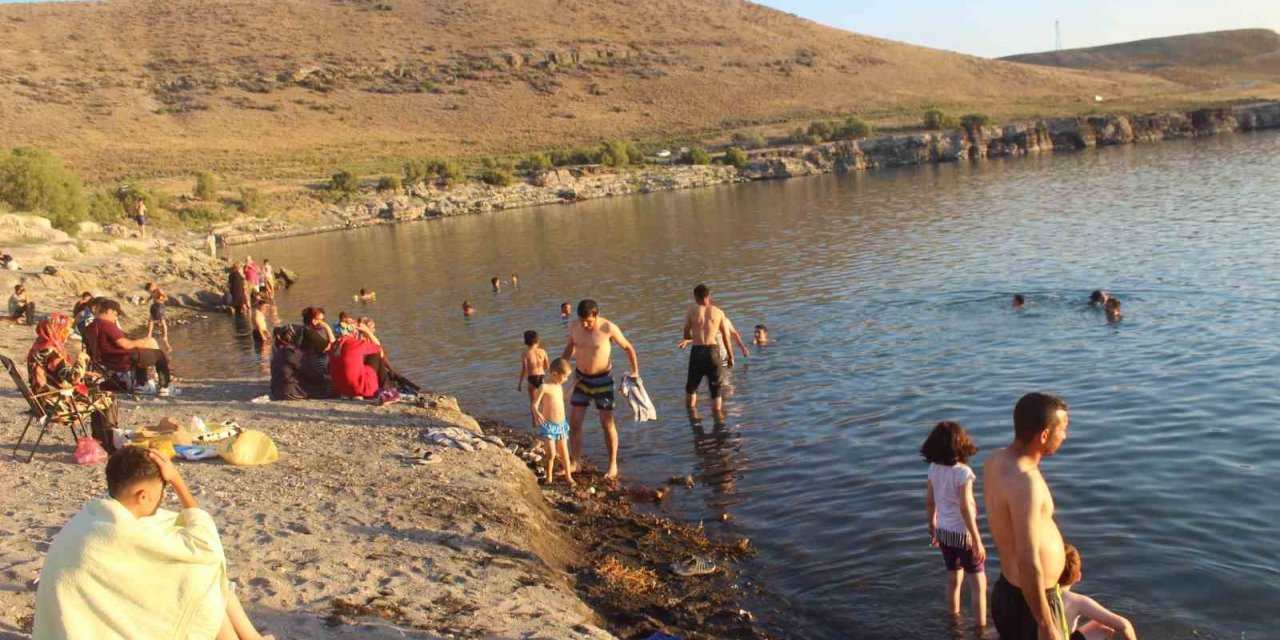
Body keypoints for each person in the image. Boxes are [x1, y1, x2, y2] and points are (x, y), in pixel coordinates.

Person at [34, 448, 269, 640]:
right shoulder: (118, 530)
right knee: (197, 576)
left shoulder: (97, 514)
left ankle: (251, 637)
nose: (163, 498)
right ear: (142, 496)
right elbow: (206, 546)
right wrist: (177, 481)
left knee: (197, 573)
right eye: (161, 492)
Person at [984, 392, 1071, 640]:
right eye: (1063, 429)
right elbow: (1028, 558)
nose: (1065, 435)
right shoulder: (1026, 482)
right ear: (1044, 435)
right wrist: (1045, 624)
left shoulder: (996, 460)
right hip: (1033, 605)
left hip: (1008, 591)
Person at [562, 299, 639, 480]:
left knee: (606, 424)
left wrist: (635, 371)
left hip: (603, 380)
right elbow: (571, 345)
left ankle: (612, 465)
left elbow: (628, 347)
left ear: (596, 315)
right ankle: (575, 463)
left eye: (588, 321)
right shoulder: (574, 326)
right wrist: (561, 367)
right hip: (581, 378)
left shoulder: (608, 328)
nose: (585, 324)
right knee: (574, 422)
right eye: (582, 321)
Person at [922, 421, 987, 628]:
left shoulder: (933, 469)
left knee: (953, 578)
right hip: (962, 534)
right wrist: (977, 540)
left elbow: (930, 500)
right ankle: (981, 629)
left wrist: (932, 525)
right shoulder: (963, 473)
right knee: (978, 583)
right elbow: (966, 507)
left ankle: (954, 621)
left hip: (944, 532)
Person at [27, 313, 115, 434]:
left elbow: (53, 373)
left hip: (42, 402)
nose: (68, 333)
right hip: (57, 407)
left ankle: (103, 436)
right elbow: (73, 378)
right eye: (65, 329)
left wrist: (85, 373)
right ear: (56, 329)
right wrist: (82, 358)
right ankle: (108, 437)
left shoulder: (39, 346)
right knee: (108, 395)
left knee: (95, 390)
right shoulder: (50, 352)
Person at [84, 299, 175, 396]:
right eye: (115, 314)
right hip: (122, 359)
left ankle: (141, 385)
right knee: (159, 355)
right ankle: (164, 387)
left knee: (142, 352)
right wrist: (143, 342)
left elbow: (90, 350)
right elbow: (125, 344)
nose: (116, 317)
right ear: (109, 311)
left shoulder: (89, 327)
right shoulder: (108, 325)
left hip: (105, 361)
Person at [1059, 544, 1139, 640]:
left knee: (1098, 625)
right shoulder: (1077, 601)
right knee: (1105, 627)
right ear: (1078, 576)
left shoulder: (1038, 594)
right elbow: (1125, 625)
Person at [679, 284, 734, 416]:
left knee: (691, 389)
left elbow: (686, 334)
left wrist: (692, 338)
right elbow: (726, 337)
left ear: (695, 297)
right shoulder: (719, 312)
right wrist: (731, 356)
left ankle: (693, 419)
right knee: (716, 390)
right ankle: (719, 421)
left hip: (697, 351)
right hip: (713, 352)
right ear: (708, 296)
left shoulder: (691, 312)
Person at [531, 358, 574, 486]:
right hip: (549, 426)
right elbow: (534, 404)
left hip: (561, 425)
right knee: (551, 454)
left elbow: (564, 397)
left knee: (565, 453)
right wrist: (537, 412)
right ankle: (549, 477)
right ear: (555, 374)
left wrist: (573, 385)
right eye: (565, 377)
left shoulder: (559, 386)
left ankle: (568, 476)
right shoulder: (544, 387)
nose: (566, 380)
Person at [329, 321, 390, 399]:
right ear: (353, 332)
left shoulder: (333, 346)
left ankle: (385, 387)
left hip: (341, 389)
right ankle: (386, 389)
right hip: (359, 388)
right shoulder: (356, 344)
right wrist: (367, 331)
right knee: (376, 354)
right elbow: (378, 347)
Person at [269, 325, 325, 400]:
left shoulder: (278, 351)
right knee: (327, 387)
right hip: (288, 392)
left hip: (276, 390)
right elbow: (313, 375)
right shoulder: (292, 352)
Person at [518, 330, 550, 406]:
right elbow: (547, 366)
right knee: (544, 402)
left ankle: (534, 418)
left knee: (533, 402)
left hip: (531, 379)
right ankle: (545, 417)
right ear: (538, 340)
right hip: (541, 377)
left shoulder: (525, 353)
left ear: (526, 341)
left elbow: (524, 369)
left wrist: (520, 384)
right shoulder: (542, 351)